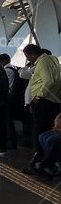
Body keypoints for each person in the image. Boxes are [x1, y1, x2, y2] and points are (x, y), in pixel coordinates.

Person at [21, 44, 61, 173]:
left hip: (43, 102)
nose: (27, 59)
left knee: (39, 131)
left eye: (27, 56)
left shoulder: (42, 62)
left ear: (33, 54)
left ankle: (40, 163)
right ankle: (47, 161)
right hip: (53, 101)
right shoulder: (53, 59)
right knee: (45, 131)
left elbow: (49, 80)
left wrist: (38, 95)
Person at [0, 53, 20, 150]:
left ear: (4, 61)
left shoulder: (6, 70)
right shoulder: (14, 68)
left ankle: (11, 142)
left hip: (7, 97)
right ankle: (12, 142)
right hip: (13, 96)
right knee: (9, 120)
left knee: (7, 121)